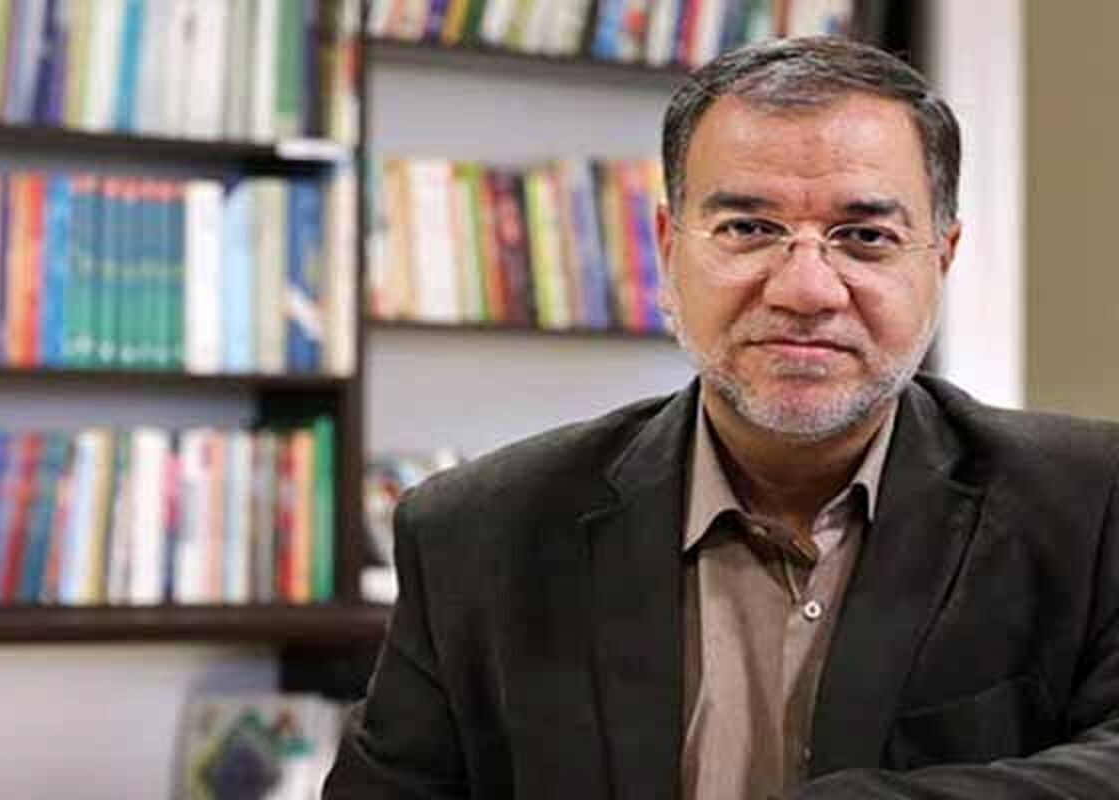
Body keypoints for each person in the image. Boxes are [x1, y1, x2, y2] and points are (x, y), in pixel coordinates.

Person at [324, 36, 1119, 799]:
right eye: (748, 229)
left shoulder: (1091, 507)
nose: (805, 289)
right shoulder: (475, 535)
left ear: (940, 260)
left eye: (865, 237)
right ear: (668, 248)